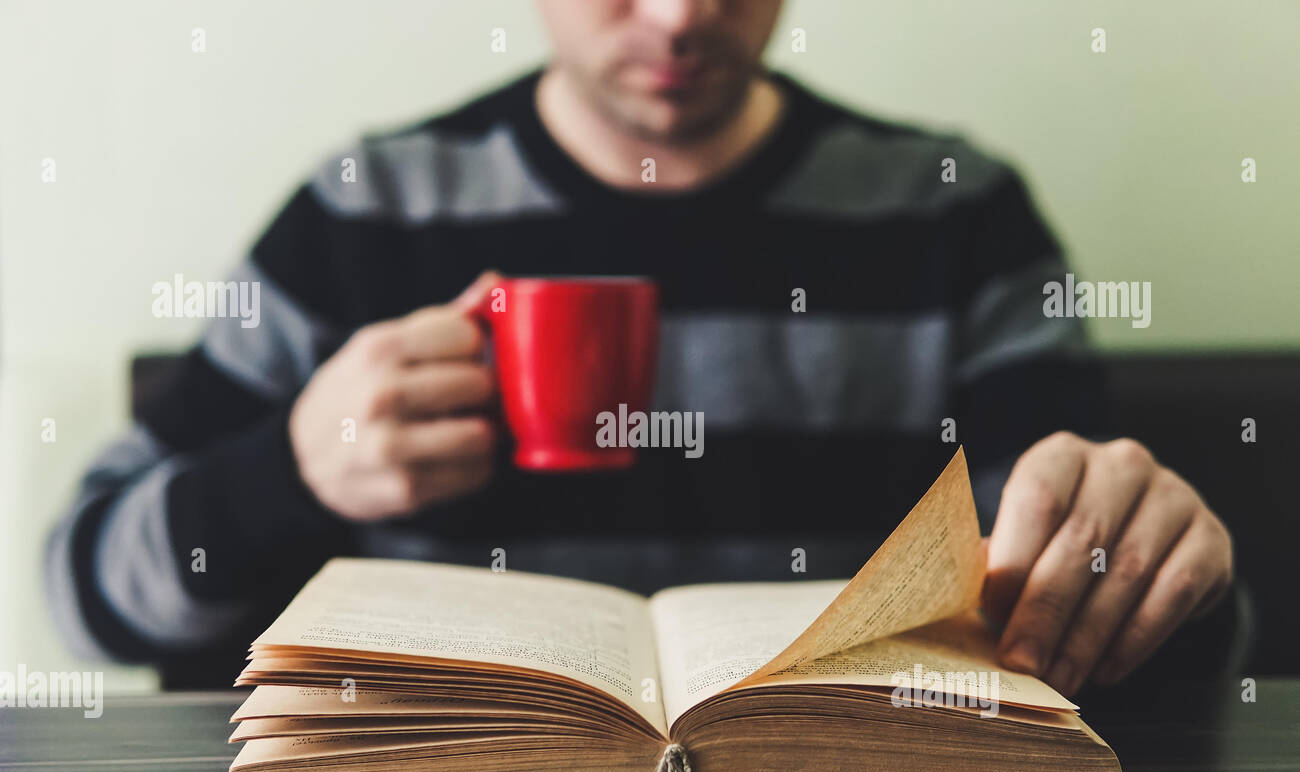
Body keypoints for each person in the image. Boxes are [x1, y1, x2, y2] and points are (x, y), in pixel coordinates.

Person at [46, 0, 1238, 698]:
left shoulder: (952, 214)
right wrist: (286, 477)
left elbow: (1074, 589)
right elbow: (83, 589)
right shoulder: (366, 212)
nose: (679, 18)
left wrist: (1147, 566)